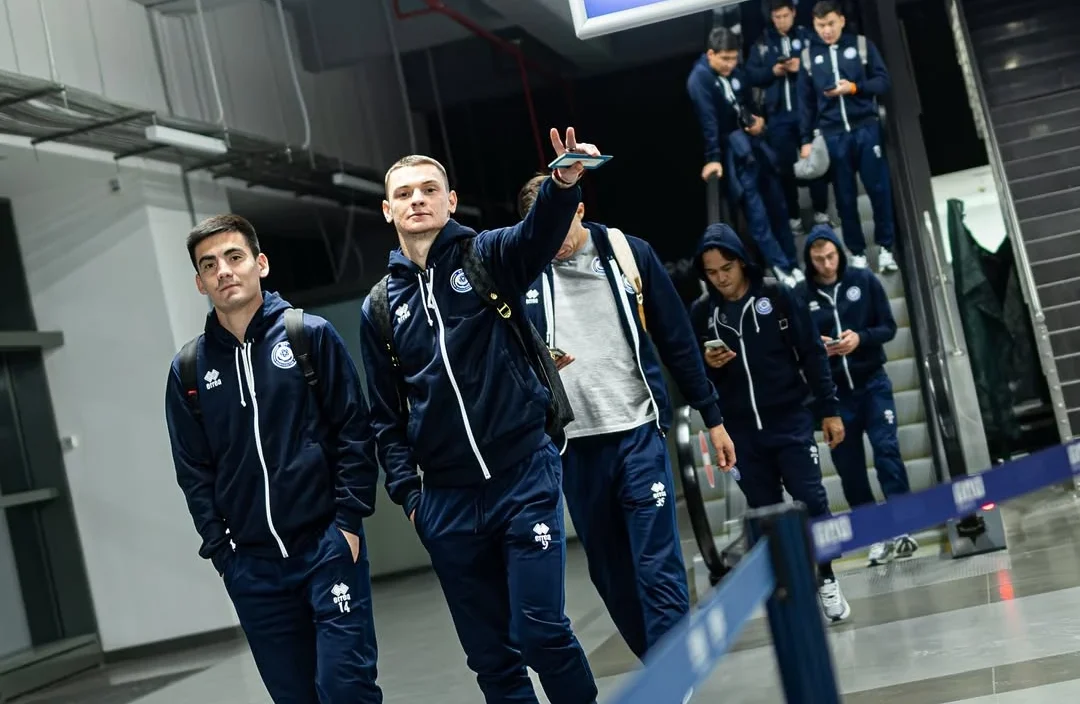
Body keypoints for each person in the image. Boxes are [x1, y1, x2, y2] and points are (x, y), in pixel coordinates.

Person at [359, 128, 600, 704]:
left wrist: (562, 186)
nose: (417, 200)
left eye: (428, 189)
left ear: (450, 200)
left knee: (541, 632)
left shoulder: (487, 255)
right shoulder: (379, 307)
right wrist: (411, 498)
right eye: (404, 193)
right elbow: (385, 417)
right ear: (388, 210)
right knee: (491, 658)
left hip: (523, 477)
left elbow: (537, 233)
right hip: (445, 502)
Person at [515, 175, 737, 659]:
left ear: (578, 210)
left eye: (559, 226)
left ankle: (674, 677)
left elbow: (678, 340)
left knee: (657, 564)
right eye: (540, 230)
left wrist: (712, 416)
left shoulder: (627, 254)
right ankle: (658, 665)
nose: (551, 241)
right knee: (611, 575)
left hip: (638, 432)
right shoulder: (521, 270)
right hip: (573, 448)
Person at [164, 215, 382, 703]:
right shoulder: (189, 369)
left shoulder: (309, 335)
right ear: (199, 282)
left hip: (326, 548)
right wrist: (224, 554)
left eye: (234, 257)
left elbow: (353, 430)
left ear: (260, 264)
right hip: (253, 567)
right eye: (209, 265)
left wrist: (347, 523)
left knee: (346, 687)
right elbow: (193, 471)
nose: (224, 271)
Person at [690, 222, 851, 622]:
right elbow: (693, 376)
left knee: (812, 501)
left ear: (741, 262)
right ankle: (795, 589)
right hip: (741, 434)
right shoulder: (703, 313)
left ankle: (827, 577)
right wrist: (707, 364)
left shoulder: (777, 296)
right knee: (766, 515)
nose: (720, 278)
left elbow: (812, 352)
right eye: (711, 272)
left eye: (726, 267)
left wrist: (829, 409)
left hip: (790, 421)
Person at [799, 225, 919, 565]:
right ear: (809, 259)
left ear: (839, 252)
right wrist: (816, 347)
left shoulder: (864, 280)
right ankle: (875, 534)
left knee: (887, 450)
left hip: (872, 384)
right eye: (818, 259)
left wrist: (860, 338)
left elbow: (888, 327)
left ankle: (903, 528)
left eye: (831, 256)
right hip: (833, 396)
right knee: (849, 469)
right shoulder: (800, 296)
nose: (826, 264)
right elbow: (795, 343)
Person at [687, 26, 803, 288]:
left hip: (756, 145)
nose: (730, 64)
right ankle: (782, 269)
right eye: (724, 59)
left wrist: (758, 121)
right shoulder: (699, 79)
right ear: (711, 54)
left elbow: (749, 101)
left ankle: (794, 264)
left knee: (779, 207)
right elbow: (709, 123)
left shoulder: (737, 71)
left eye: (733, 58)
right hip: (734, 152)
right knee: (757, 216)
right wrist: (713, 157)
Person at [798, 0, 899, 274]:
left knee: (878, 190)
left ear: (841, 20)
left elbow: (883, 81)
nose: (826, 30)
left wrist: (854, 88)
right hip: (833, 134)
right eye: (820, 25)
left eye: (831, 23)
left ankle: (886, 249)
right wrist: (805, 140)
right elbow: (805, 103)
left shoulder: (862, 45)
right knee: (844, 197)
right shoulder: (808, 57)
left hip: (865, 127)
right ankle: (857, 253)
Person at [746, 0, 832, 236]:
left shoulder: (807, 37)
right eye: (777, 17)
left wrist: (800, 66)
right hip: (778, 116)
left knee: (815, 161)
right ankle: (793, 216)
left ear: (793, 13)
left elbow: (823, 62)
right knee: (784, 169)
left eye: (785, 15)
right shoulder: (762, 43)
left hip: (808, 112)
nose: (781, 21)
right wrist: (772, 72)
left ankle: (821, 212)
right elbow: (750, 75)